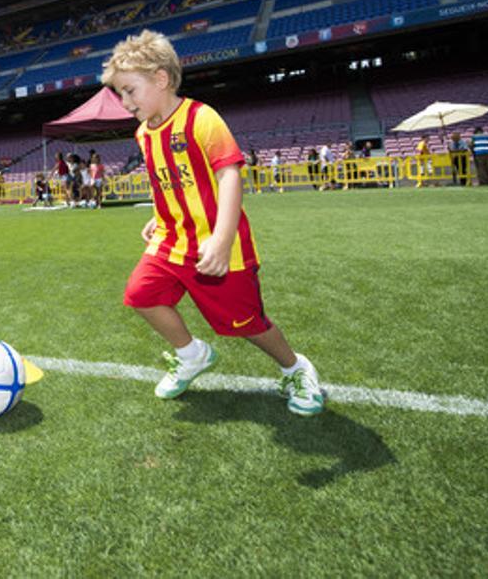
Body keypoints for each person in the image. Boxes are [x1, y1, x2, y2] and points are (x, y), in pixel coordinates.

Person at [102, 29, 324, 416]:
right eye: (120, 93)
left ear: (161, 79)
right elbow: (165, 181)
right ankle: (192, 355)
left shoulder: (202, 119)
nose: (124, 102)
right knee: (140, 295)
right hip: (172, 241)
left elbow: (230, 175)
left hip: (218, 244)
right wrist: (158, 216)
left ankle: (296, 368)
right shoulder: (143, 134)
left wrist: (221, 240)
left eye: (129, 91)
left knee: (247, 324)